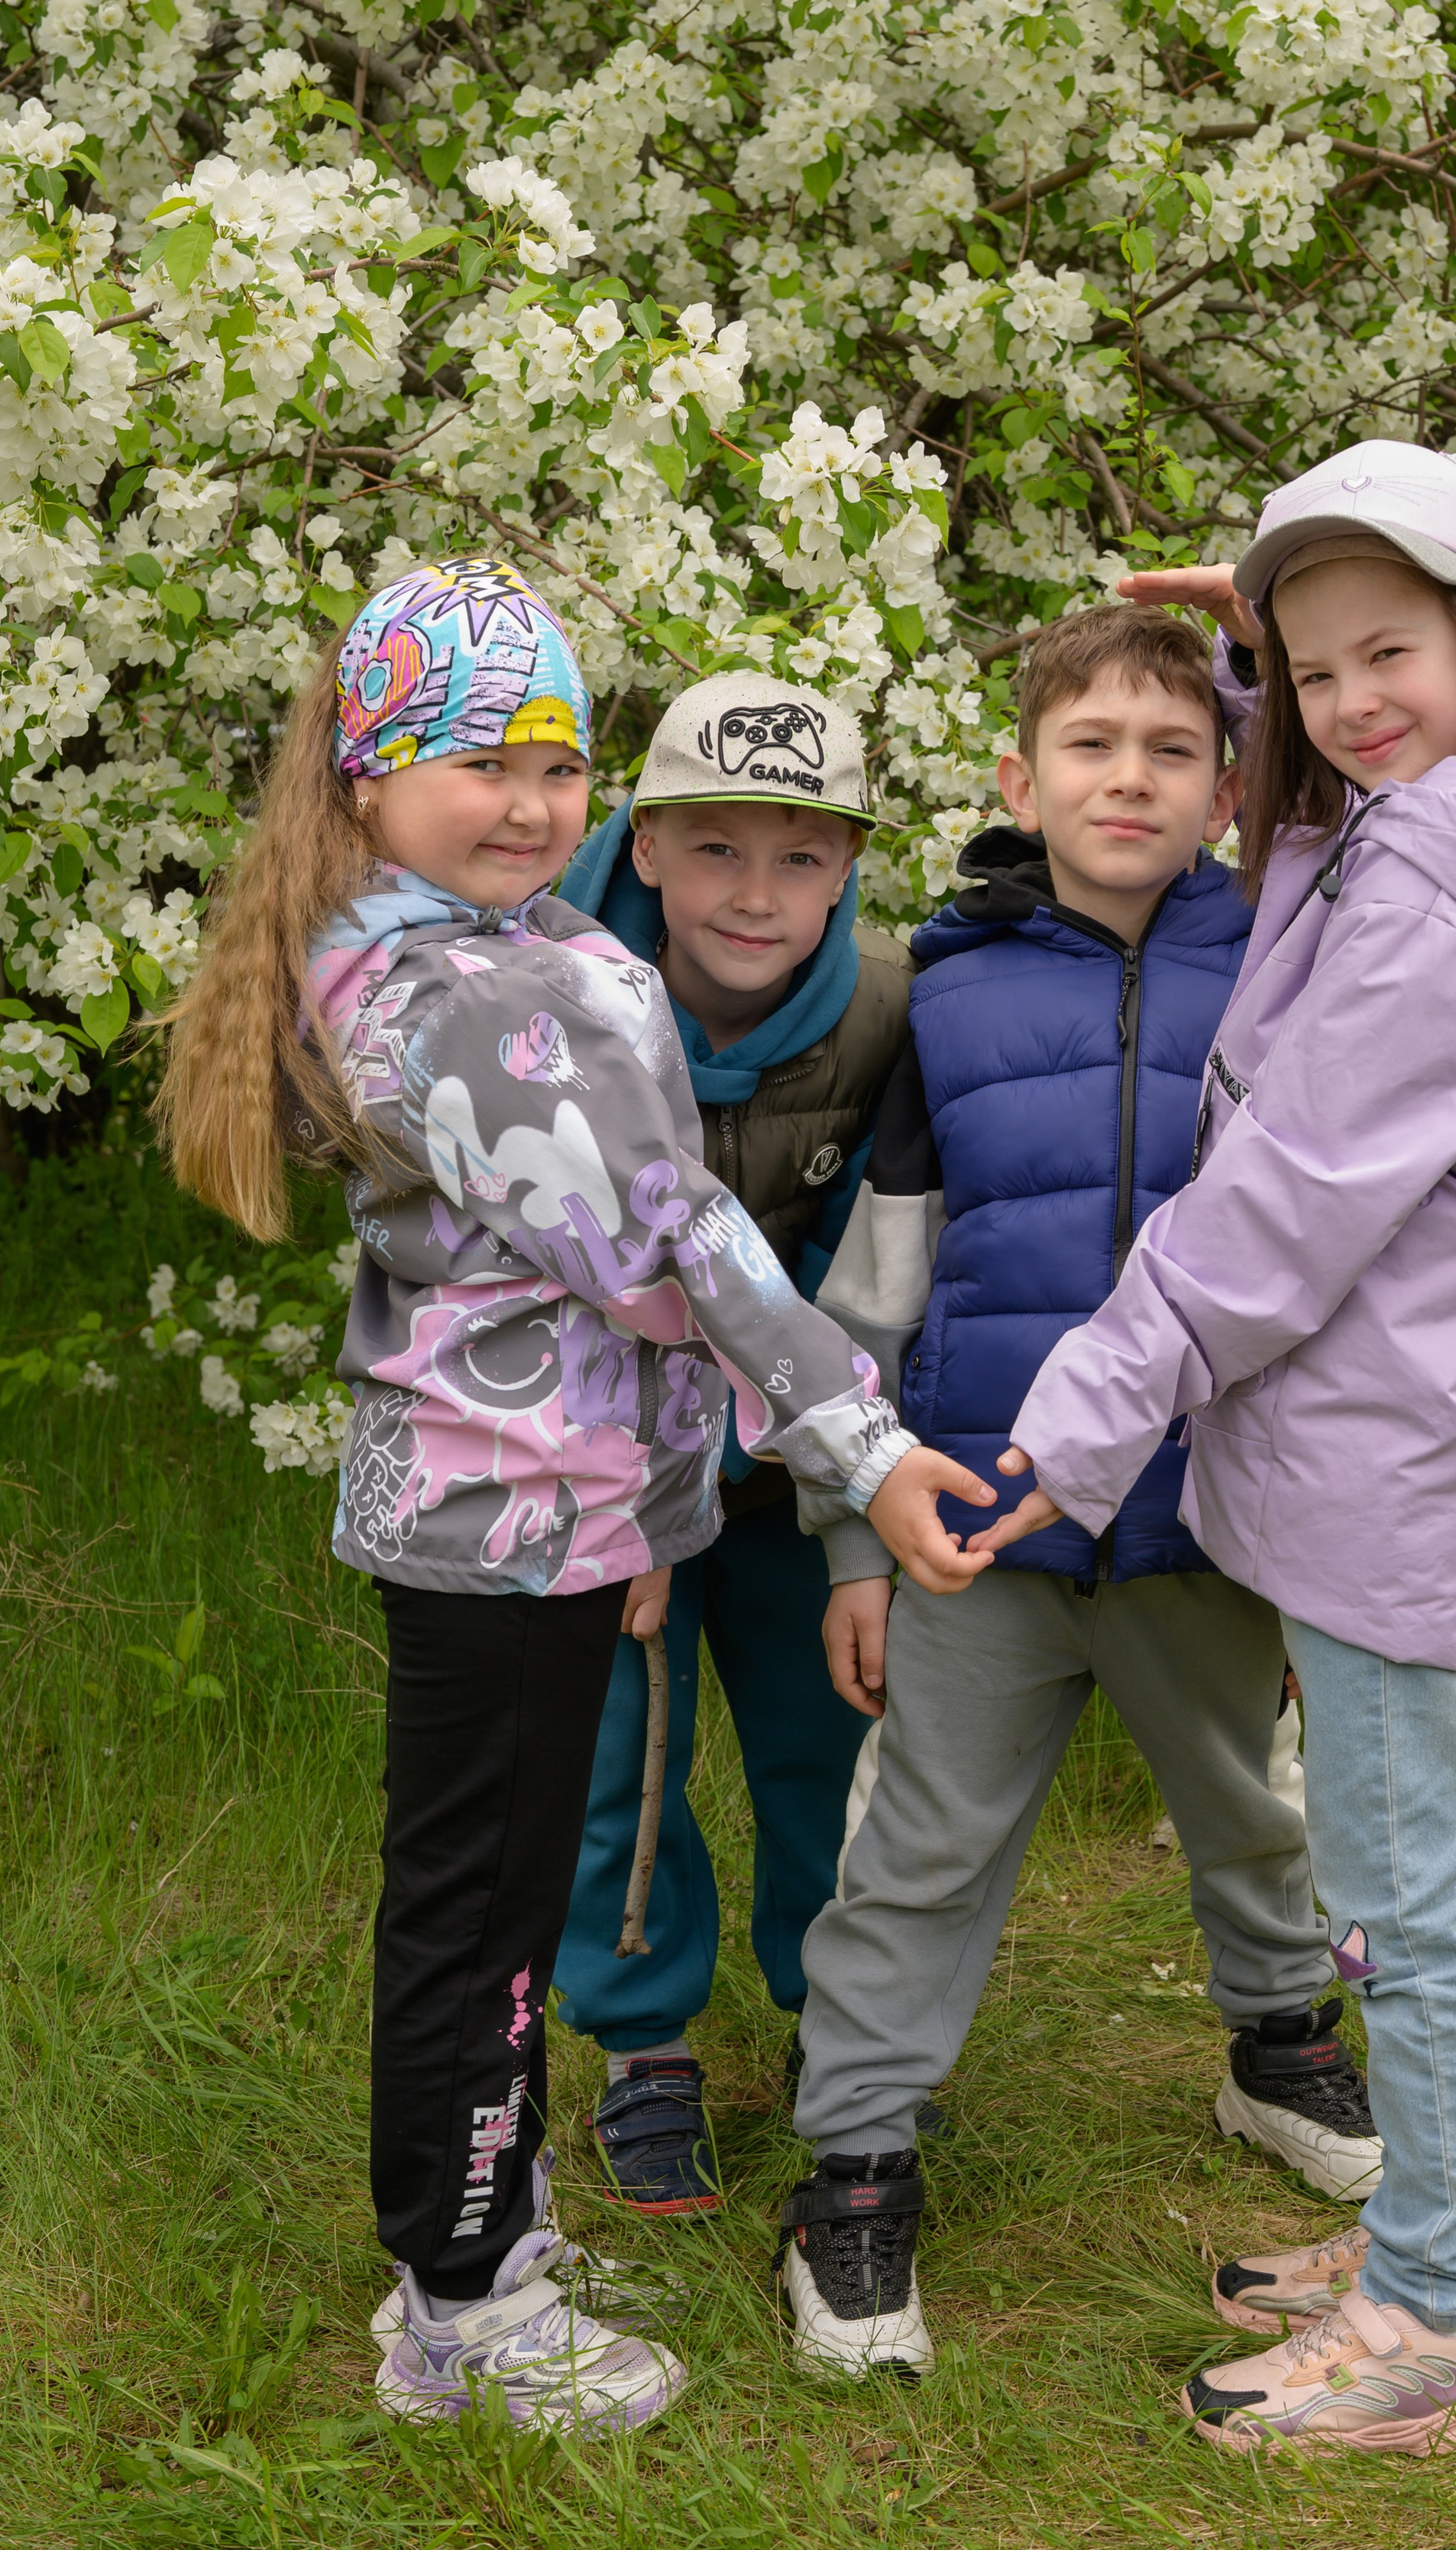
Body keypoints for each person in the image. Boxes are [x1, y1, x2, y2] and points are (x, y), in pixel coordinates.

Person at [153, 556, 990, 2436]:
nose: (529, 801)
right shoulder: (474, 997)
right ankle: (462, 2305)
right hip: (499, 1526)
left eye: (554, 759)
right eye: (476, 760)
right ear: (369, 772)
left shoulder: (475, 945)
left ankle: (481, 2249)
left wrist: (651, 1521)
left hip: (539, 1510)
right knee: (478, 1926)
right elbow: (665, 1244)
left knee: (496, 1907)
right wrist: (859, 1441)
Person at [976, 443, 1456, 2457]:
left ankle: (1441, 2325)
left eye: (1393, 653)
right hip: (1391, 1455)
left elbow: (1273, 1206)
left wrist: (1083, 1418)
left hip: (1397, 1475)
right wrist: (1271, 657)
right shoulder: (1445, 835)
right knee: (1407, 1877)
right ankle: (1442, 2247)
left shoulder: (1433, 919)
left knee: (1416, 1903)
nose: (1349, 704)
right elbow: (1314, 899)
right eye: (1309, 675)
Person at [778, 603, 1378, 2383]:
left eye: (1176, 749)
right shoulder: (946, 988)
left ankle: (1275, 2047)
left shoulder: (1289, 953)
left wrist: (1259, 660)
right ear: (1015, 776)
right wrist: (850, 1532)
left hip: (1215, 1515)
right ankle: (856, 2169)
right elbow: (871, 1288)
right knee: (914, 1852)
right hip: (977, 1521)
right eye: (1090, 746)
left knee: (1256, 1813)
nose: (1129, 778)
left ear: (1231, 784)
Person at [549, 675, 914, 2216]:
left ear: (844, 870)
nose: (754, 897)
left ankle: (844, 2031)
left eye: (799, 857)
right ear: (642, 848)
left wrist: (850, 1533)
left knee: (824, 1742)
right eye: (712, 851)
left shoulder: (888, 1016)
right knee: (614, 1751)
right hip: (594, 1461)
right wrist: (627, 1510)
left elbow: (864, 1290)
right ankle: (643, 2045)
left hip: (790, 1469)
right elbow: (545, 1281)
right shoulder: (543, 1005)